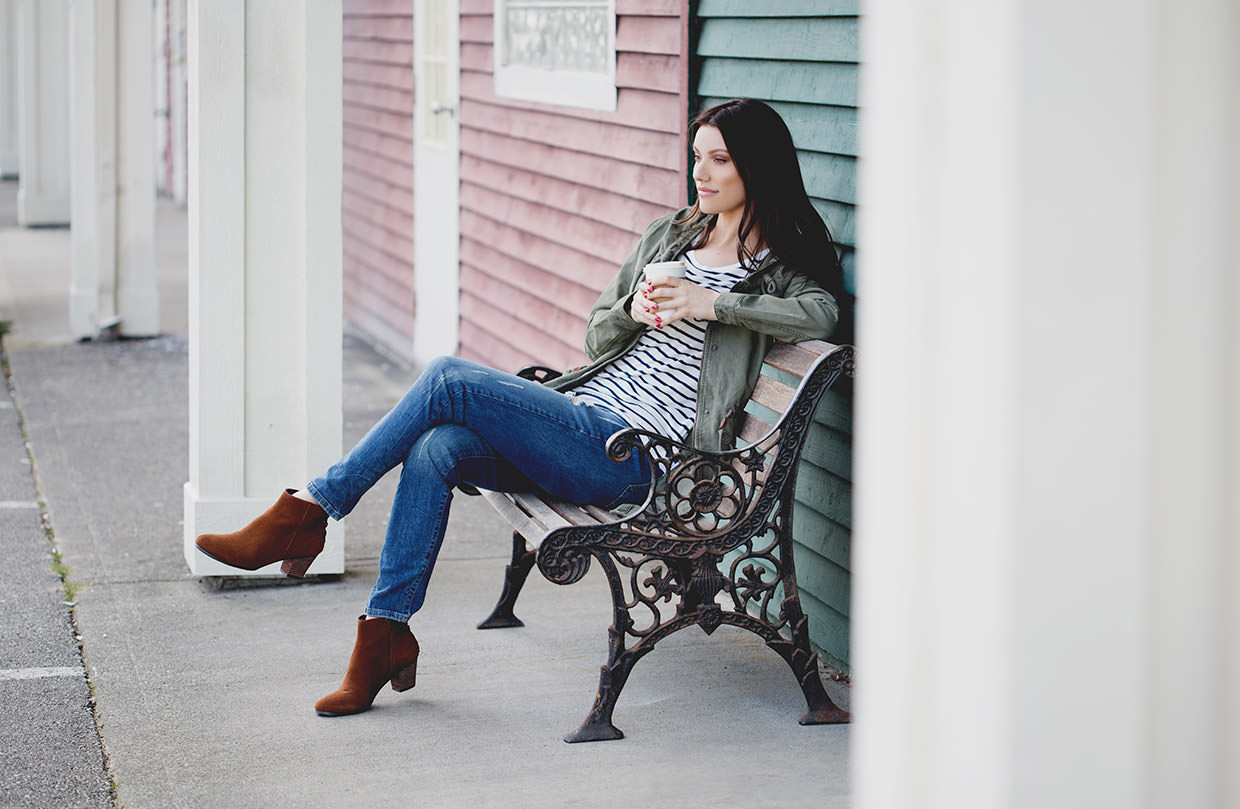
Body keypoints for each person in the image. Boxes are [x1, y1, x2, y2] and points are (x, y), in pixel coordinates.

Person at [195, 98, 849, 717]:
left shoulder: (773, 268)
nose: (700, 173)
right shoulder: (669, 236)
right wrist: (633, 312)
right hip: (586, 419)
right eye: (697, 155)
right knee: (437, 446)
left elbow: (822, 312)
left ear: (756, 168)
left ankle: (312, 508)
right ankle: (385, 631)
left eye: (720, 160)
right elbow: (598, 333)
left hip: (641, 459)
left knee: (449, 378)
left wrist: (711, 304)